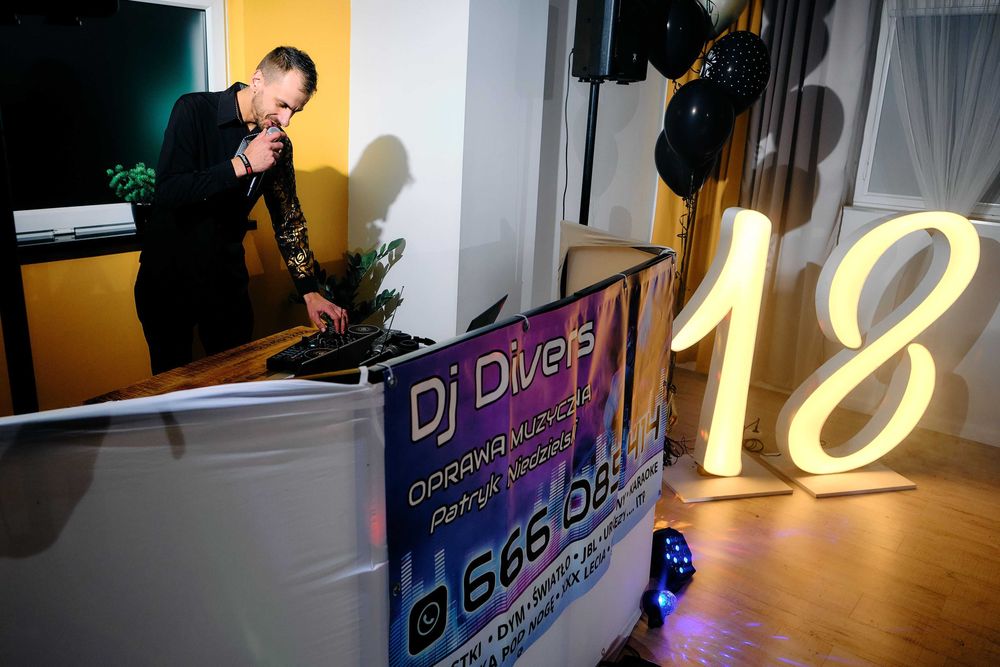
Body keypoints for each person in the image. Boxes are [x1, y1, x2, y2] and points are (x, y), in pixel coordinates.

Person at [135, 46, 347, 374]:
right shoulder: (193, 110)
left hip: (225, 285)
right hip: (167, 282)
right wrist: (243, 164)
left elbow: (288, 219)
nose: (287, 120)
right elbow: (169, 191)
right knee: (172, 390)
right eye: (282, 105)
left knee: (237, 382)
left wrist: (310, 292)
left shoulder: (279, 143)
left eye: (296, 111)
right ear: (257, 81)